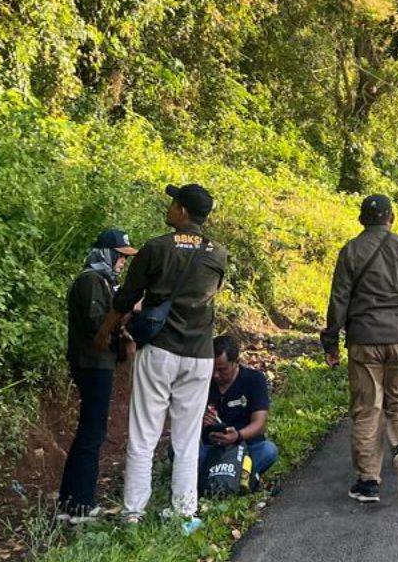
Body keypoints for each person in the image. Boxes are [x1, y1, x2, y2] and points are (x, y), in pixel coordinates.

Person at [97, 183, 228, 532]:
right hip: (200, 354)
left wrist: (104, 331)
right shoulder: (218, 253)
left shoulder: (156, 247)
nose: (168, 208)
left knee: (144, 435)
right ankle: (184, 512)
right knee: (187, 438)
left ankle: (133, 514)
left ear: (182, 210)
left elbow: (126, 297)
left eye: (172, 203)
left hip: (160, 350)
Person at [322, 194, 398, 504]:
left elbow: (339, 300)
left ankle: (368, 482)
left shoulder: (351, 250)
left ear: (362, 220)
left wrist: (331, 342)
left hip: (364, 339)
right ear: (391, 218)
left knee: (367, 407)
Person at [58, 228, 138, 524]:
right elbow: (97, 323)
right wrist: (127, 314)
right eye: (120, 256)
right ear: (105, 254)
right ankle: (80, 504)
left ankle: (71, 501)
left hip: (97, 363)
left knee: (90, 430)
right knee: (92, 432)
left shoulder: (102, 281)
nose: (123, 262)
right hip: (92, 363)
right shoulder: (91, 280)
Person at [201, 336, 279, 488]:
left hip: (245, 448)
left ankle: (216, 478)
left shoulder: (254, 379)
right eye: (212, 369)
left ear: (236, 362)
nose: (216, 375)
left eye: (222, 370)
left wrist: (237, 435)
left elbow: (259, 423)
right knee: (177, 451)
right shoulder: (203, 382)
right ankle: (241, 478)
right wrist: (203, 423)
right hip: (213, 449)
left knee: (268, 450)